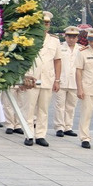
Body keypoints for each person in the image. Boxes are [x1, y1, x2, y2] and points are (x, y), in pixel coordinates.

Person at [21, 11, 62, 147]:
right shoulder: (29, 38)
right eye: (43, 23)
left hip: (47, 78)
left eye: (47, 23)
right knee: (29, 108)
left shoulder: (55, 41)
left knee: (43, 109)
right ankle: (29, 134)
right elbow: (23, 59)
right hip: (31, 78)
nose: (45, 25)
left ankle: (40, 135)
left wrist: (57, 80)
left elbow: (57, 61)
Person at [54, 26, 81, 137]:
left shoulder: (81, 49)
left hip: (74, 82)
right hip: (61, 80)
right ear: (65, 36)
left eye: (74, 37)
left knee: (71, 106)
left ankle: (68, 127)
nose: (71, 39)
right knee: (60, 105)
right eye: (69, 36)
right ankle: (59, 127)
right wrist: (55, 79)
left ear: (77, 38)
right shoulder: (59, 47)